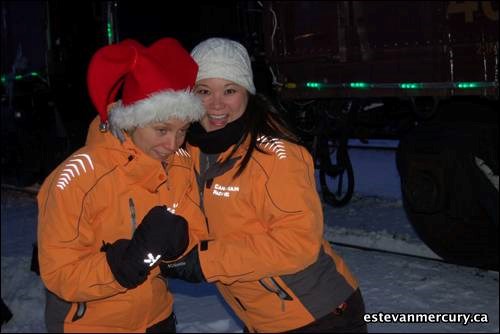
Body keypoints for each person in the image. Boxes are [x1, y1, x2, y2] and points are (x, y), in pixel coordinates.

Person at [160, 37, 368, 332]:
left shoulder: (275, 156)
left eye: (229, 90)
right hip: (260, 319)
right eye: (204, 91)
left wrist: (205, 261)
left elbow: (297, 244)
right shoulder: (186, 152)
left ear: (247, 93)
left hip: (317, 315)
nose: (216, 103)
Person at [37, 37, 206, 332]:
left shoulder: (179, 162)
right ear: (132, 121)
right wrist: (121, 265)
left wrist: (179, 241)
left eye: (183, 131)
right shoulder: (79, 176)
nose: (173, 143)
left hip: (156, 319)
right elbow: (58, 272)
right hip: (91, 324)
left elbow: (195, 231)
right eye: (161, 129)